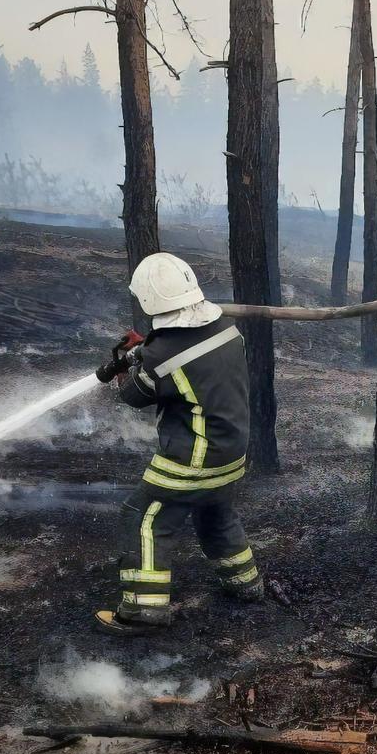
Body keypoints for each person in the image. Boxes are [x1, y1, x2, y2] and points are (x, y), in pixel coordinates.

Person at [93, 252, 263, 636]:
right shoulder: (225, 326)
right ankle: (246, 583)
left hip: (191, 459)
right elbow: (189, 355)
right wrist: (148, 347)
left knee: (143, 517)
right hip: (231, 451)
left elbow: (134, 396)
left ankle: (142, 610)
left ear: (150, 299)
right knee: (215, 512)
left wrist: (131, 365)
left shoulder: (160, 357)